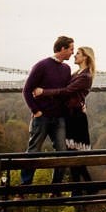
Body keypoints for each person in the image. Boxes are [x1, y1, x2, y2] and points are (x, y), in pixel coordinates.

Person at [34, 46, 96, 195]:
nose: (75, 55)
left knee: (74, 153)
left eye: (78, 53)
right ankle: (85, 189)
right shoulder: (75, 73)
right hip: (70, 115)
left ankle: (86, 188)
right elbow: (65, 90)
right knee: (71, 153)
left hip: (77, 119)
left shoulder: (85, 76)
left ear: (86, 57)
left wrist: (43, 92)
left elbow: (66, 91)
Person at [20, 35, 74, 188]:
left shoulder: (66, 69)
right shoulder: (41, 65)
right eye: (71, 49)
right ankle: (24, 187)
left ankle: (55, 188)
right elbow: (26, 90)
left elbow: (65, 92)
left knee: (62, 153)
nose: (72, 52)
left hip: (59, 118)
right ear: (62, 49)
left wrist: (79, 103)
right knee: (33, 151)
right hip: (42, 117)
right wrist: (36, 111)